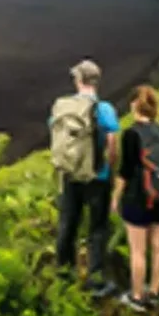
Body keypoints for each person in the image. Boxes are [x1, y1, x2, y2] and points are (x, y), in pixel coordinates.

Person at [48, 59, 121, 296]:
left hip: (70, 173)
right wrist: (110, 168)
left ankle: (63, 272)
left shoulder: (63, 106)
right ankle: (95, 278)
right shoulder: (104, 109)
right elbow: (112, 142)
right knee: (97, 228)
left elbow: (55, 131)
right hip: (97, 177)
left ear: (79, 80)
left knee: (68, 222)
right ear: (96, 81)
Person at [112, 84, 159, 311]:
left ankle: (136, 297)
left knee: (138, 250)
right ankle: (153, 294)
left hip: (138, 198)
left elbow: (125, 171)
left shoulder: (131, 134)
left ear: (135, 105)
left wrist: (115, 198)